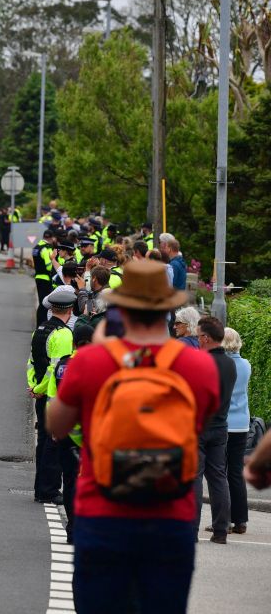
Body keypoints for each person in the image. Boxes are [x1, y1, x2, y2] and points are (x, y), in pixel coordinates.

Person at [47, 260, 218, 614]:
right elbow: (200, 423)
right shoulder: (198, 366)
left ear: (121, 309)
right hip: (171, 518)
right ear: (169, 310)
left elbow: (57, 425)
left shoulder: (92, 361)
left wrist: (98, 345)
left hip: (103, 513)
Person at [27, 288, 75, 505]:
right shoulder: (64, 335)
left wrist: (34, 387)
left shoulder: (39, 330)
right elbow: (56, 370)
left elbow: (32, 363)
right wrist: (43, 389)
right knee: (53, 445)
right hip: (52, 397)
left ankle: (40, 487)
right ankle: (49, 490)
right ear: (70, 310)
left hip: (39, 393)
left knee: (43, 443)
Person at [48, 323, 93, 543]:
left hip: (67, 435)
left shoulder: (63, 366)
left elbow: (54, 398)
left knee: (70, 482)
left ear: (74, 343)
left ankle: (72, 528)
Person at [195, 316, 236, 544]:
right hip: (221, 425)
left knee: (194, 478)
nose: (198, 340)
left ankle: (191, 530)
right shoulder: (230, 364)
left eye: (199, 336)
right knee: (218, 478)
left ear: (207, 337)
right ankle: (221, 530)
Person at [223, 327, 251, 535]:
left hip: (224, 422)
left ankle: (223, 520)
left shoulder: (223, 365)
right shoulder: (246, 364)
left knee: (219, 474)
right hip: (242, 422)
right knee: (235, 472)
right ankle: (240, 520)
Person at [32, 229, 57, 325]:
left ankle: (39, 325)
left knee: (41, 303)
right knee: (45, 304)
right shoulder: (46, 248)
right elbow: (49, 266)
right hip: (45, 279)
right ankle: (42, 325)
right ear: (52, 238)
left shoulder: (37, 247)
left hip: (38, 277)